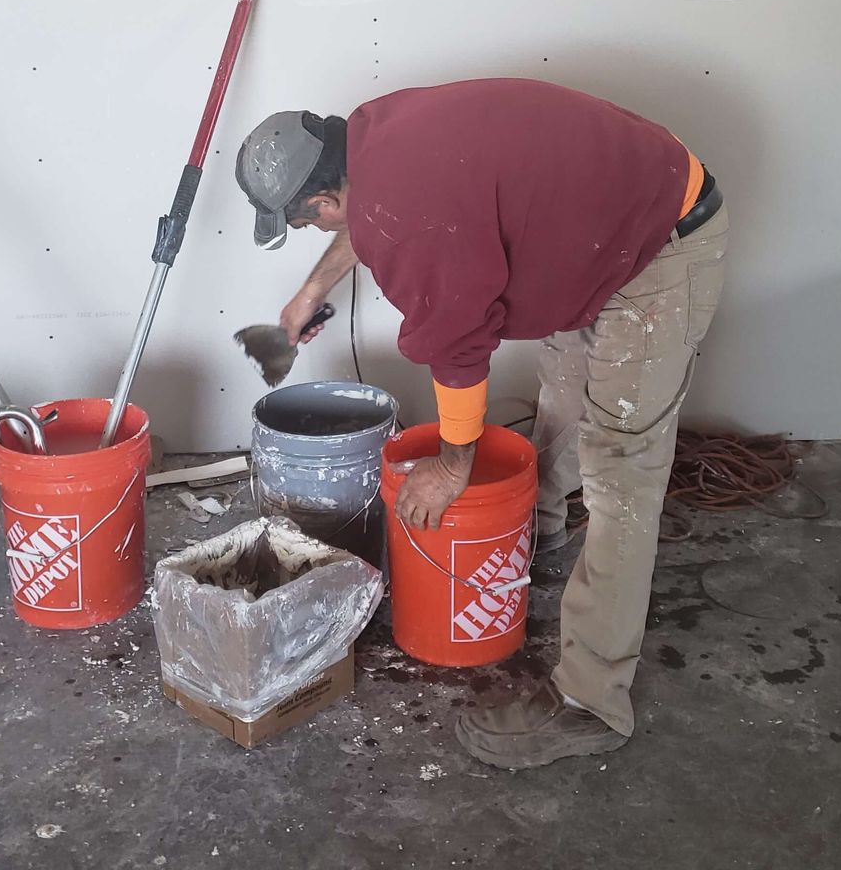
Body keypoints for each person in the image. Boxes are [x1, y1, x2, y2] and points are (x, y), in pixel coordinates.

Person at [233, 78, 729, 768]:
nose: (316, 231)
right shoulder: (373, 139)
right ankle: (541, 534)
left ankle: (592, 703)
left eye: (307, 222)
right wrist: (310, 292)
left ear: (324, 198)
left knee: (621, 467)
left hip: (656, 242)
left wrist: (453, 464)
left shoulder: (402, 213)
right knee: (563, 389)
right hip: (604, 227)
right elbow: (373, 217)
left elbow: (458, 345)